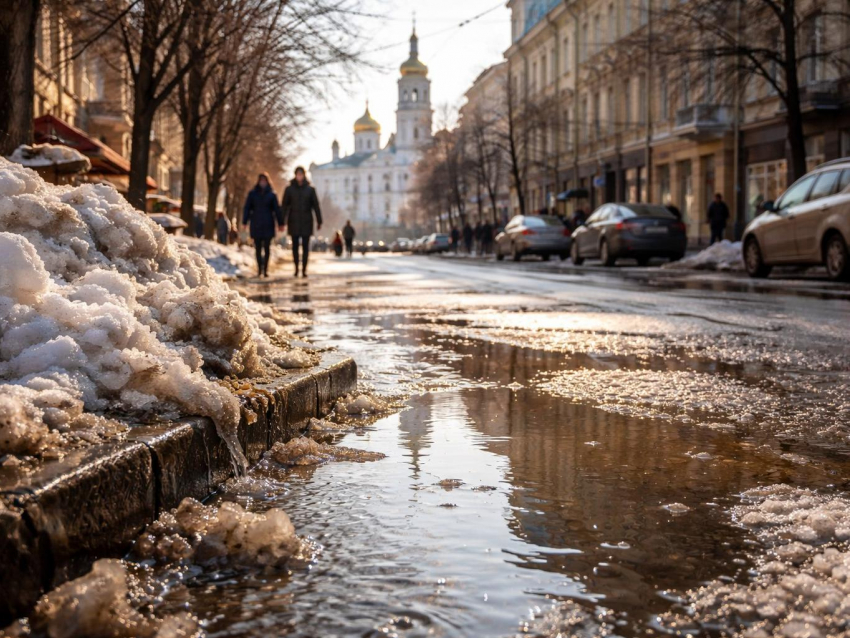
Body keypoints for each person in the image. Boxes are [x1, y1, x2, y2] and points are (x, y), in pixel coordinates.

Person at [281, 166, 322, 277]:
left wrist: (319, 221)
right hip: (293, 221)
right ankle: (296, 269)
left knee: (305, 247)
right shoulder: (289, 189)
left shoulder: (310, 189)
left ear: (304, 175)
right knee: (294, 247)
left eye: (301, 174)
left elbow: (316, 206)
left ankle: (303, 270)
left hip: (306, 221)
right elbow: (284, 206)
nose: (299, 176)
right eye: (297, 174)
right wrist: (282, 221)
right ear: (295, 175)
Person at [242, 172, 283, 277]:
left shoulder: (272, 195)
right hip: (256, 224)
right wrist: (244, 222)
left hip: (268, 224)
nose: (263, 183)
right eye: (261, 180)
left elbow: (277, 210)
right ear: (258, 181)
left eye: (264, 180)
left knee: (267, 248)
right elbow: (247, 208)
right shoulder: (252, 194)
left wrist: (280, 223)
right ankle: (260, 269)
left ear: (267, 181)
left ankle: (266, 269)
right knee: (258, 248)